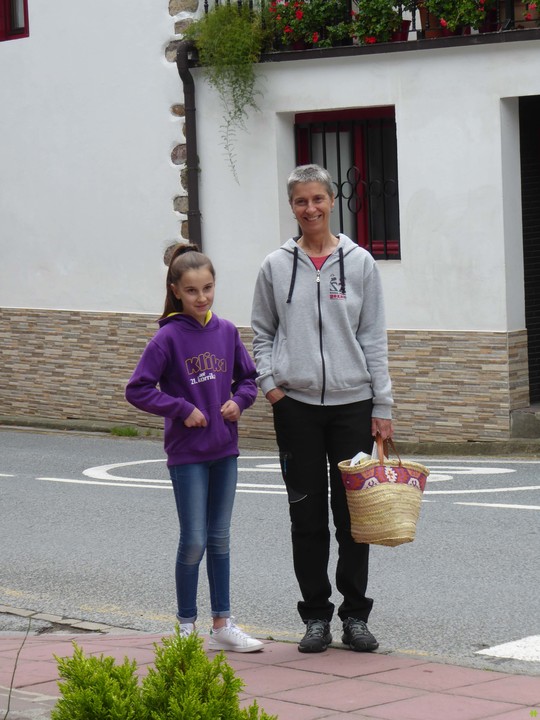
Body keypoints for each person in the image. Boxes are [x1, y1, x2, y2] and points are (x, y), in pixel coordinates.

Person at [251, 164, 394, 654]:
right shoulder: (275, 266)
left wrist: (382, 403)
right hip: (296, 408)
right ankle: (316, 617)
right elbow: (262, 332)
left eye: (317, 199)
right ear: (292, 206)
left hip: (353, 406)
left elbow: (373, 337)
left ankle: (355, 616)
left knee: (354, 518)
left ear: (332, 201)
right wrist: (271, 386)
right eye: (300, 201)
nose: (310, 208)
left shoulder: (361, 263)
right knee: (307, 518)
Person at [126, 243, 263, 653]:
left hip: (224, 452)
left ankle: (222, 624)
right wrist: (182, 409)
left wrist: (239, 402)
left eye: (207, 288)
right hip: (187, 456)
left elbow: (248, 380)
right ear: (175, 291)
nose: (201, 297)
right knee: (194, 541)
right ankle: (186, 627)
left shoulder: (227, 331)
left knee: (219, 539)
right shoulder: (167, 338)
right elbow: (138, 389)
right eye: (191, 290)